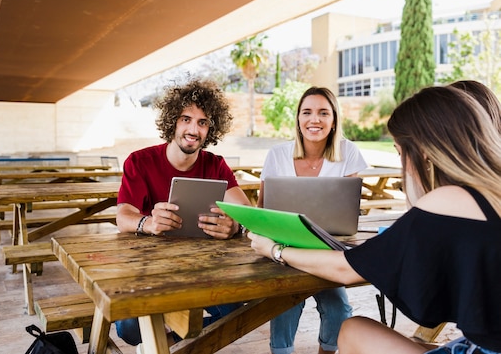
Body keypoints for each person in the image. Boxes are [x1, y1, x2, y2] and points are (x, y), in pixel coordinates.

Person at [248, 86, 501, 354]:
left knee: (354, 331)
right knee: (367, 331)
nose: (401, 160)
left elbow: (347, 269)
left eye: (400, 151)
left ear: (425, 151)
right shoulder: (488, 192)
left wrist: (275, 250)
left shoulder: (449, 200)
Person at [114, 78, 251, 349]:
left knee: (240, 306)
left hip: (203, 270)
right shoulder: (139, 162)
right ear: (172, 122)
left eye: (202, 122)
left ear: (211, 128)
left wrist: (234, 227)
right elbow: (123, 216)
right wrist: (148, 223)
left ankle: (165, 340)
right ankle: (173, 338)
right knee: (128, 327)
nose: (193, 129)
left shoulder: (216, 165)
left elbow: (247, 214)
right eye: (186, 119)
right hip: (149, 270)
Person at [258, 86, 367, 354]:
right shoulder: (277, 154)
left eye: (323, 113)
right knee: (285, 305)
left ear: (333, 120)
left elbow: (348, 212)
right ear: (298, 118)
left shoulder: (348, 151)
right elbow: (262, 209)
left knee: (338, 307)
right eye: (307, 112)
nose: (314, 120)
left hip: (326, 250)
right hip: (283, 250)